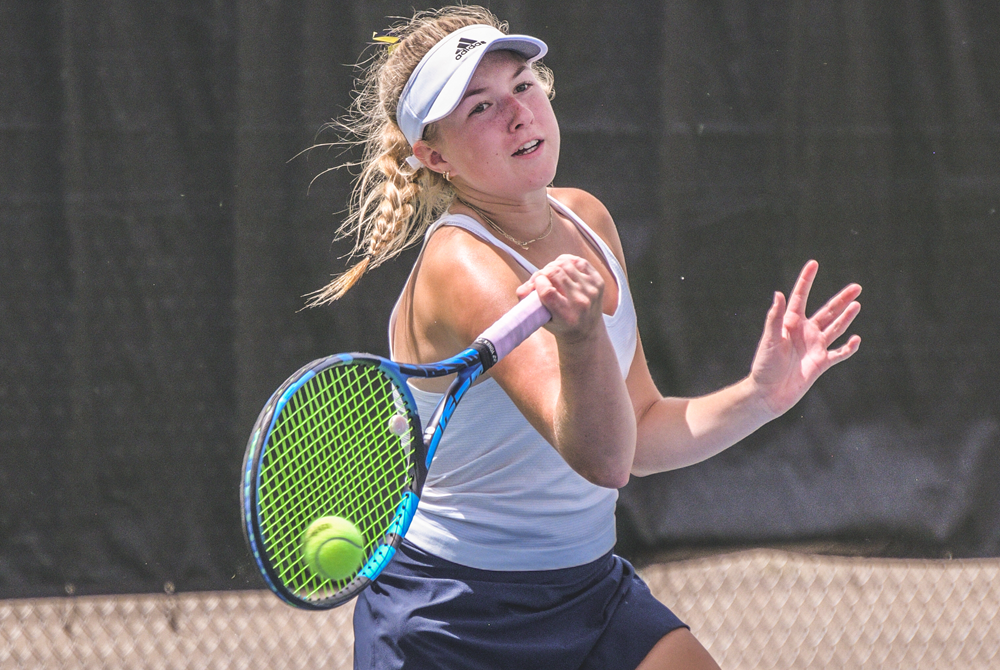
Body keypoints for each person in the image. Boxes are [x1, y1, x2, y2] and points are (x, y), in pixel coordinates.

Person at [308, 6, 862, 669]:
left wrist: (760, 396)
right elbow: (603, 460)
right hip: (453, 616)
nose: (518, 114)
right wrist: (579, 341)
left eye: (522, 85)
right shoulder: (463, 266)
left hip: (588, 591)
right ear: (434, 156)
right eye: (480, 108)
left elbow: (642, 429)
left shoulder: (588, 217)